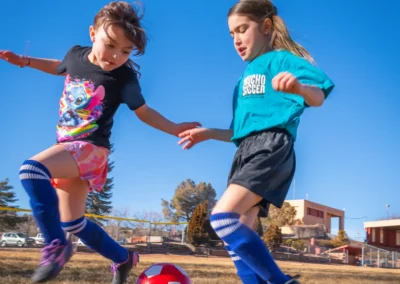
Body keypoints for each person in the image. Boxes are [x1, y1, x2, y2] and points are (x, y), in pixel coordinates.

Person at [0, 1, 200, 283]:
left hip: (90, 148)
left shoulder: (125, 77)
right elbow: (59, 67)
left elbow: (145, 112)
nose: (116, 56)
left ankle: (55, 245)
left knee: (31, 170)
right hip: (68, 148)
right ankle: (123, 257)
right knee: (73, 222)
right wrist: (26, 61)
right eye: (111, 45)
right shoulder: (75, 55)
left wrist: (175, 127)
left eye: (126, 51)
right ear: (93, 34)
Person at [178, 0, 334, 283]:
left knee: (222, 218)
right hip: (245, 152)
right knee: (233, 234)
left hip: (271, 147)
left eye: (242, 29)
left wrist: (299, 87)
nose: (236, 39)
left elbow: (319, 97)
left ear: (265, 27)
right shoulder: (242, 81)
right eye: (231, 34)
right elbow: (239, 132)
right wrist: (209, 133)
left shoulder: (281, 60)